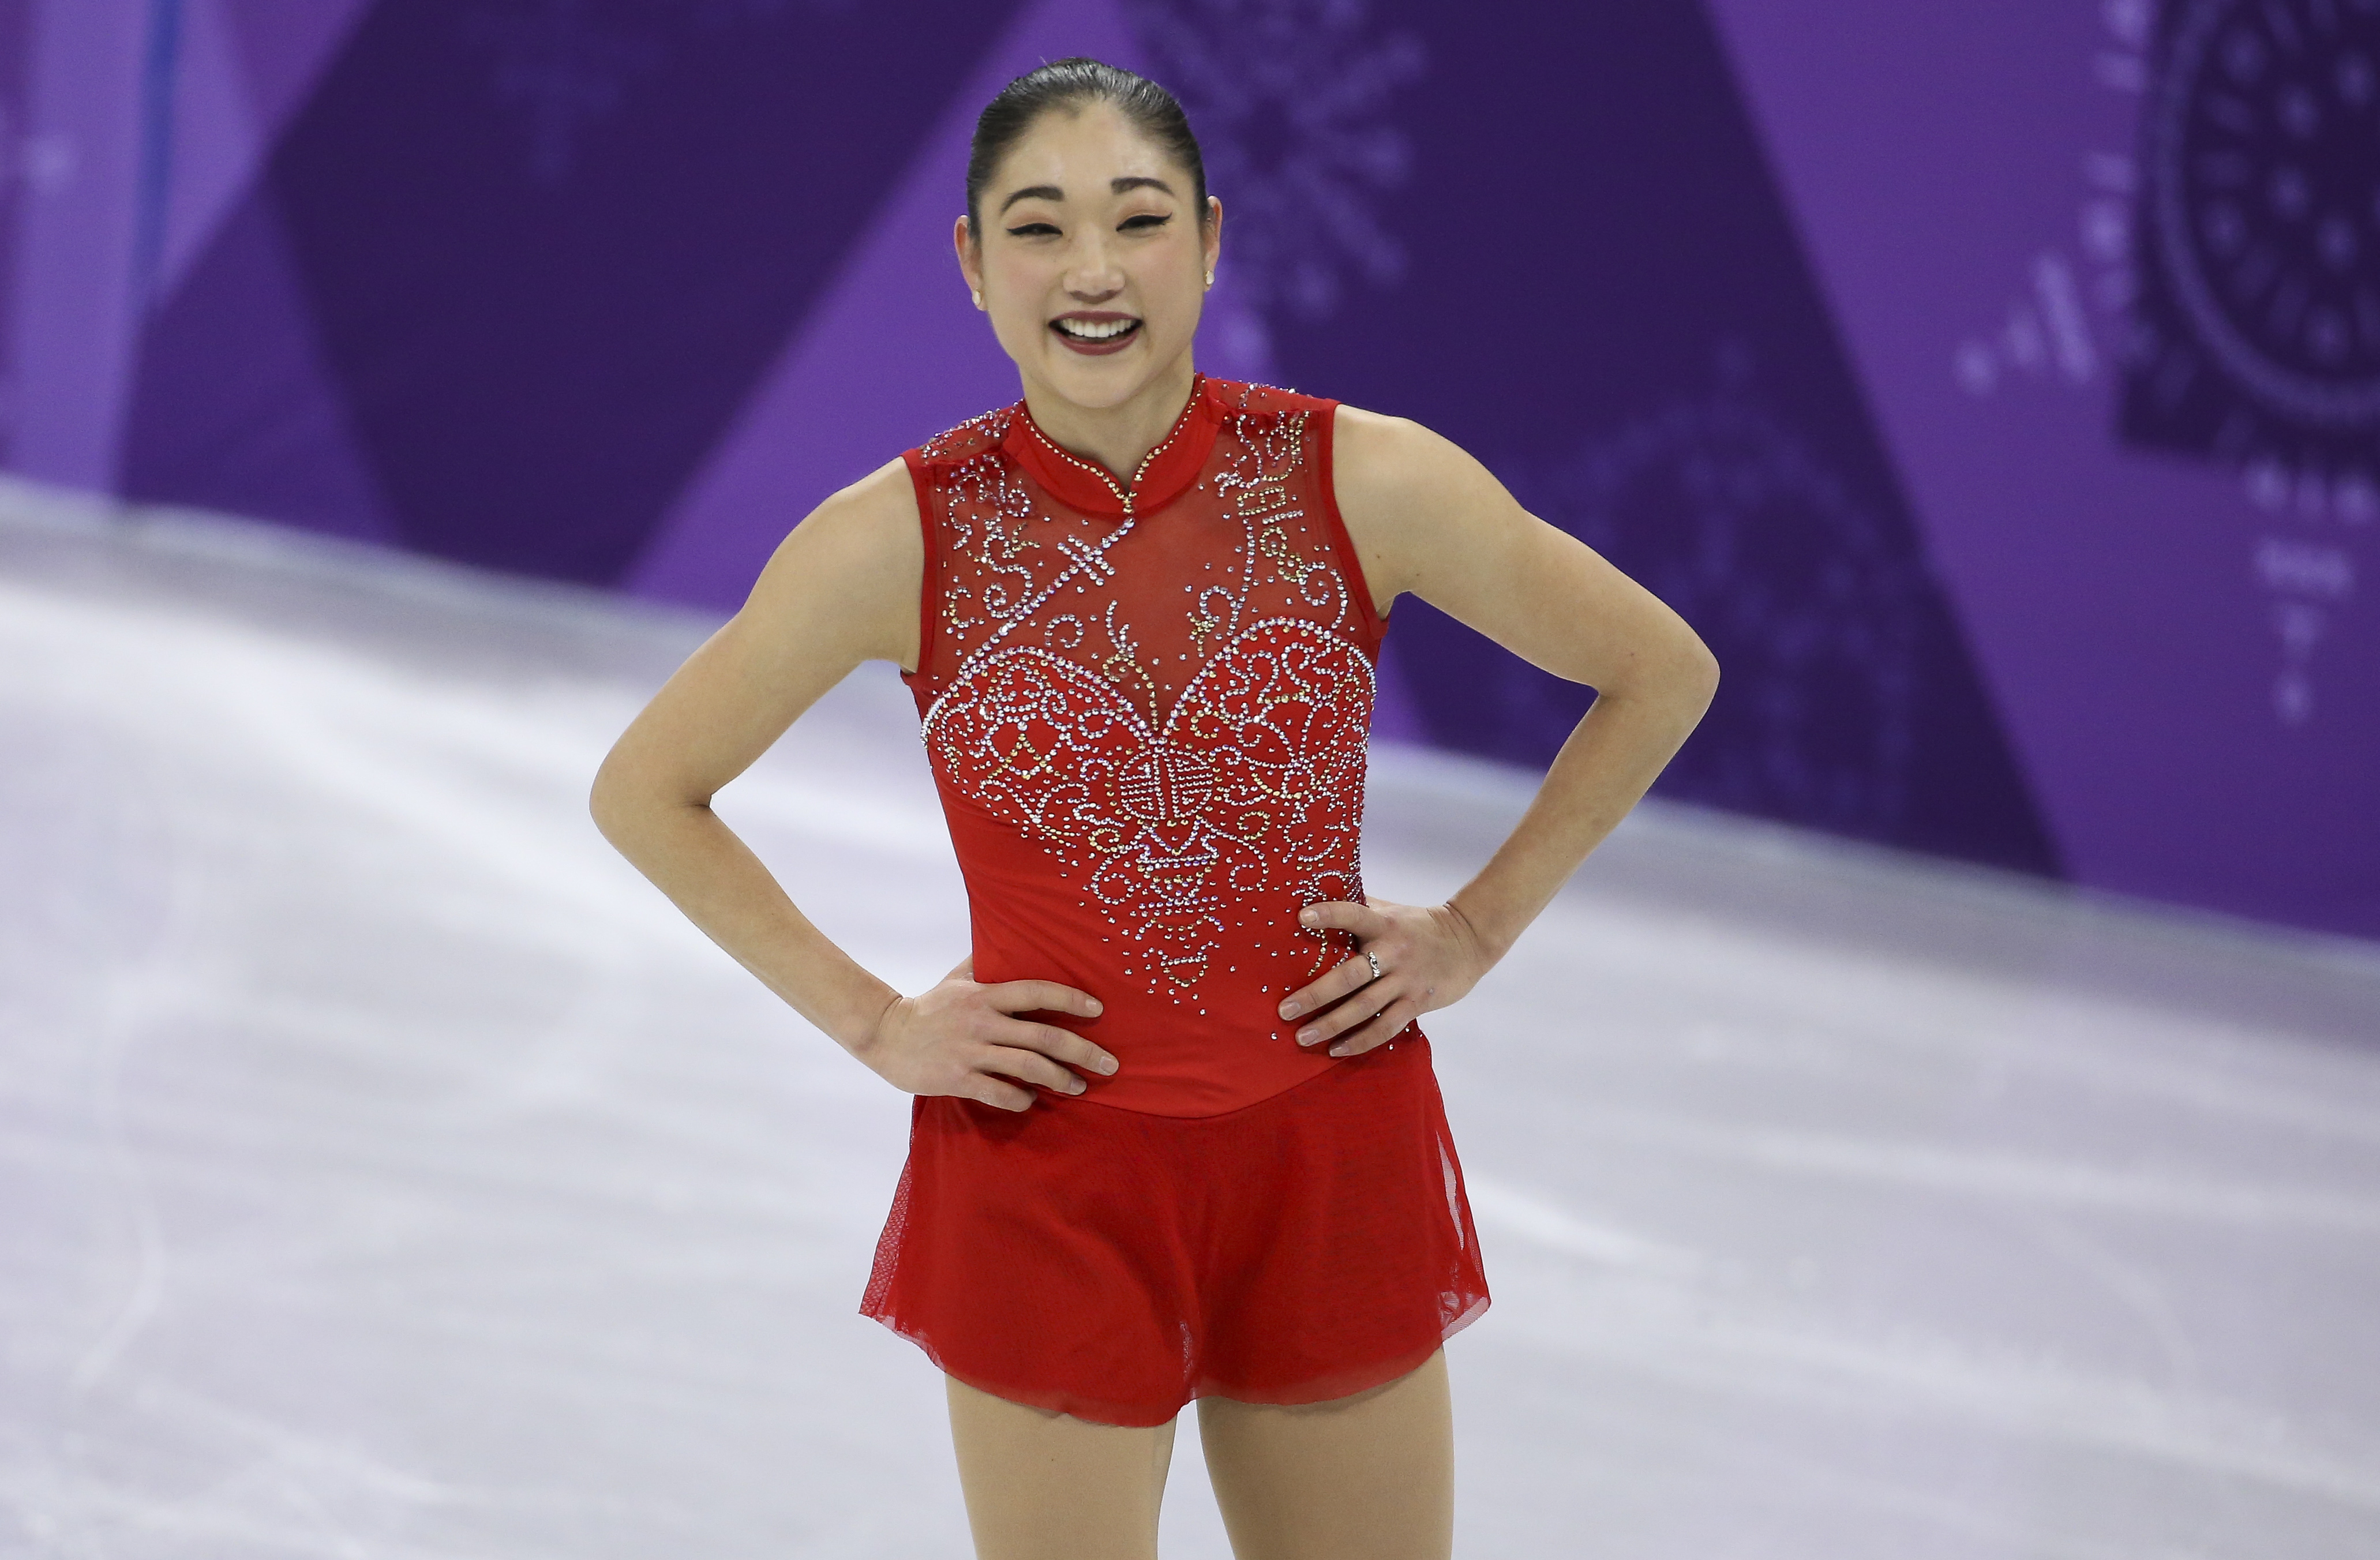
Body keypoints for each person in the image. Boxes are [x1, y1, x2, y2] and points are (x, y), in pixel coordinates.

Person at [591, 56, 1716, 1560]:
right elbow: (648, 789)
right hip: (1048, 1176)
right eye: (1041, 227)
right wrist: (875, 1023)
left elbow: (1660, 670)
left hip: (1329, 1156)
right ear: (974, 265)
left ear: (1210, 237)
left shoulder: (1366, 482)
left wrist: (1476, 928)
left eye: (1138, 218)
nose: (1096, 269)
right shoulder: (893, 542)